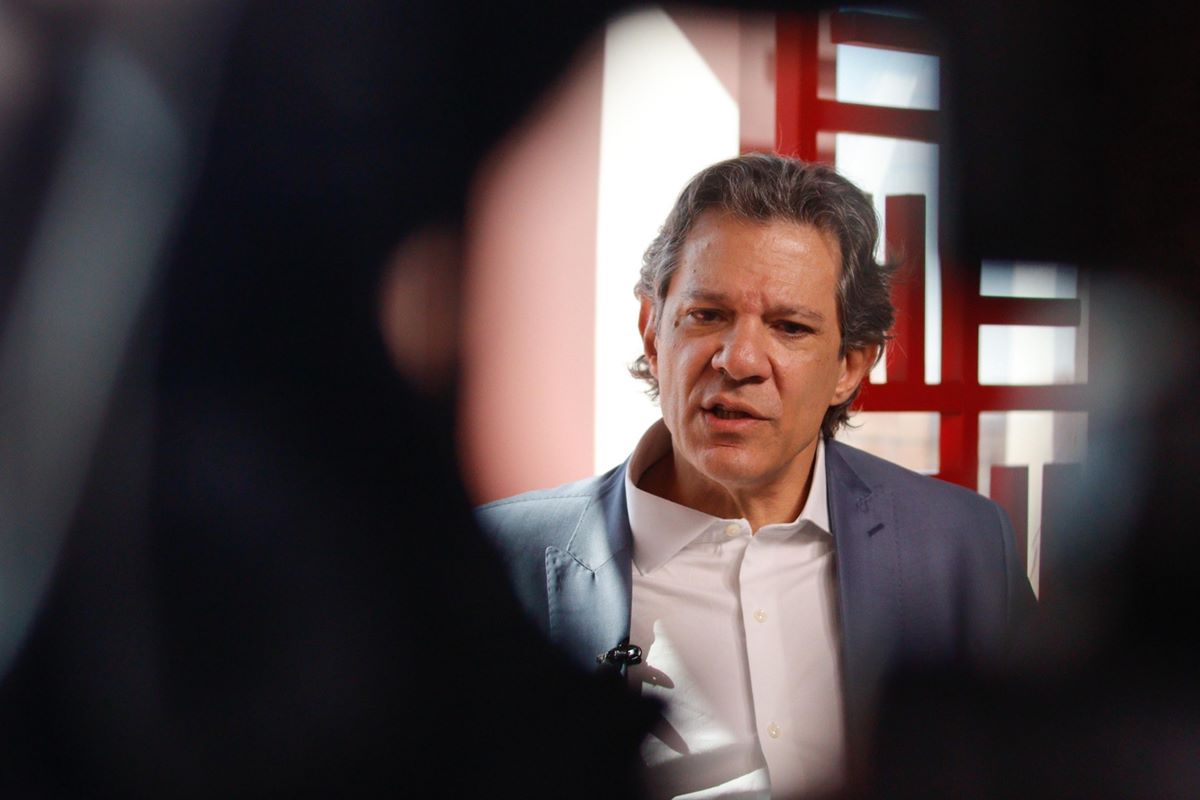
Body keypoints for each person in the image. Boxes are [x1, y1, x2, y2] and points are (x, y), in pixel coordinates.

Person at [477, 153, 1037, 799]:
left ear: (850, 366)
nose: (739, 360)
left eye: (789, 327)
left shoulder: (964, 545)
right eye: (707, 315)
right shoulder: (496, 559)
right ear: (653, 333)